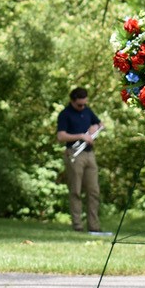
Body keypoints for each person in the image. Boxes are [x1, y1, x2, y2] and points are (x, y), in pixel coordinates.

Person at [56, 87, 104, 232]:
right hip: (74, 153)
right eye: (79, 105)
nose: (82, 107)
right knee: (76, 190)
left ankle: (94, 226)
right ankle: (77, 225)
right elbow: (61, 136)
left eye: (84, 104)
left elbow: (100, 124)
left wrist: (95, 128)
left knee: (94, 191)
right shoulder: (65, 114)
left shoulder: (87, 111)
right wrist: (81, 136)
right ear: (72, 101)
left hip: (90, 154)